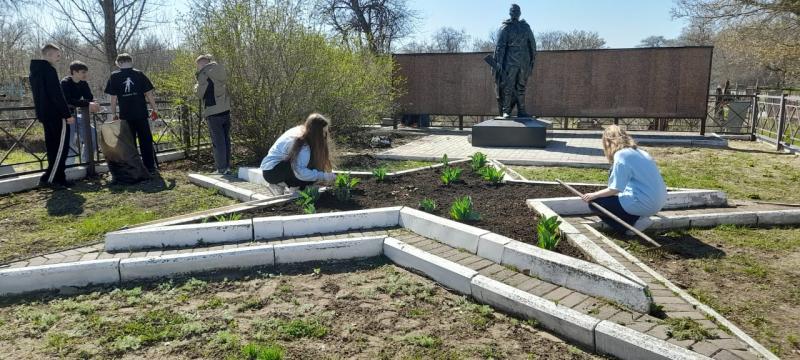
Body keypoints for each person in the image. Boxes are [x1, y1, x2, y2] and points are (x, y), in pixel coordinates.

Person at [579, 125, 667, 234]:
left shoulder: (621, 155)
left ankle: (633, 224)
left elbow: (615, 189)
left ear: (608, 142)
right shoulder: (641, 152)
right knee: (612, 198)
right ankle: (638, 217)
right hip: (659, 201)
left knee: (595, 203)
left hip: (644, 203)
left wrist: (594, 195)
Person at [104, 53, 159, 175]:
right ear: (131, 61)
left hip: (125, 115)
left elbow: (113, 98)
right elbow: (149, 94)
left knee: (129, 143)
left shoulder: (114, 76)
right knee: (146, 140)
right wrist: (155, 109)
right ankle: (150, 167)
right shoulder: (139, 74)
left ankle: (134, 168)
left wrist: (113, 113)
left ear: (118, 63)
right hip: (141, 114)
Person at [29, 43, 75, 188]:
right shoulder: (48, 70)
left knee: (53, 147)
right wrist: (67, 114)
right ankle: (53, 179)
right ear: (48, 55)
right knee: (61, 148)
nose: (59, 57)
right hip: (56, 115)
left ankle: (55, 177)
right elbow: (56, 95)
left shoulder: (34, 71)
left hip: (45, 114)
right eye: (57, 54)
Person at [260, 113, 336, 194]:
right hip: (272, 172)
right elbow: (300, 171)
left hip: (277, 170)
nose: (325, 135)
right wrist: (323, 176)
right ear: (316, 132)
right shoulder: (302, 144)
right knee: (307, 174)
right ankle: (281, 185)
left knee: (310, 174)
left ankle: (294, 186)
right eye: (323, 132)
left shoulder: (305, 131)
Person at [494, 3, 536, 118]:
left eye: (517, 11)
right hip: (510, 61)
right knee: (508, 85)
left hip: (523, 61)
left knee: (521, 86)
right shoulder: (506, 27)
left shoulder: (525, 27)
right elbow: (500, 46)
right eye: (513, 11)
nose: (515, 13)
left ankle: (521, 110)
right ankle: (506, 110)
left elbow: (532, 44)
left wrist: (531, 60)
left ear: (520, 13)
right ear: (510, 13)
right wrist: (499, 62)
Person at [194, 54, 232, 175]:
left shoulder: (204, 74)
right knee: (226, 140)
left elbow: (200, 93)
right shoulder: (219, 69)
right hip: (225, 109)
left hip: (213, 111)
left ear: (202, 64)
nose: (197, 67)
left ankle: (221, 169)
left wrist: (196, 85)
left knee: (218, 142)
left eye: (198, 65)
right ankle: (227, 167)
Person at [61, 60, 101, 164]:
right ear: (74, 72)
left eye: (85, 72)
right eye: (83, 72)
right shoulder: (65, 83)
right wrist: (87, 104)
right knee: (69, 141)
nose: (85, 74)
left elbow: (89, 98)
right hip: (64, 116)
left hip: (75, 115)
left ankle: (87, 162)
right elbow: (68, 100)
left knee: (92, 134)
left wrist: (94, 103)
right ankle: (69, 165)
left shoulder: (83, 83)